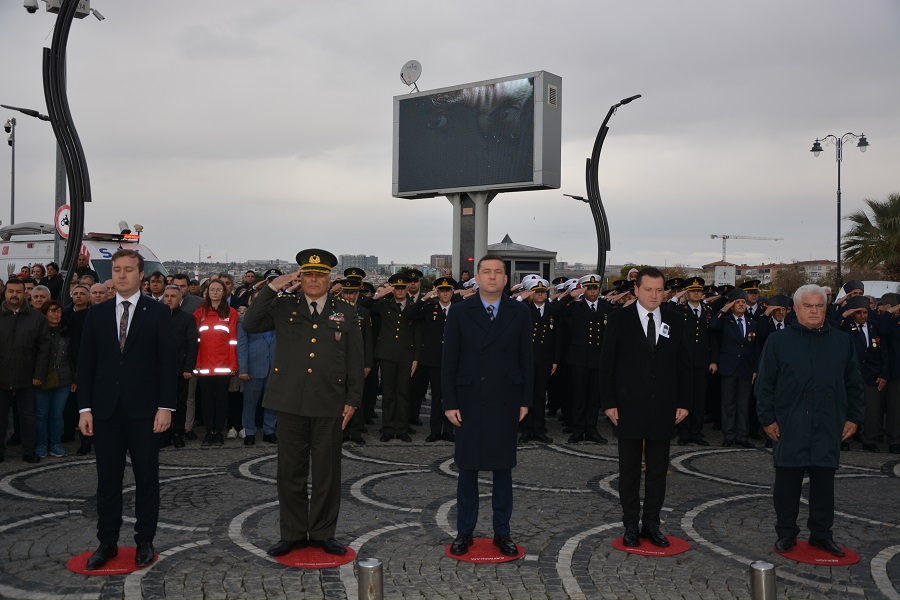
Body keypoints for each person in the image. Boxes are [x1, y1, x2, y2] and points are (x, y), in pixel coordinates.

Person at [243, 249, 364, 557]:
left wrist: (353, 399)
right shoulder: (284, 307)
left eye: (319, 275)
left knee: (327, 473)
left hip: (329, 403)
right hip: (291, 402)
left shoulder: (345, 311)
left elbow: (354, 359)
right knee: (290, 472)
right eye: (308, 274)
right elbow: (251, 323)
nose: (313, 280)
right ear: (300, 277)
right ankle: (294, 533)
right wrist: (272, 287)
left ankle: (323, 533)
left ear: (329, 279)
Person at [77, 249, 177, 569]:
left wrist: (165, 407)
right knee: (107, 480)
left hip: (146, 412)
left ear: (141, 275)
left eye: (128, 270)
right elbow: (86, 366)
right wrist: (85, 409)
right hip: (105, 412)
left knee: (147, 478)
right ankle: (107, 542)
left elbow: (168, 365)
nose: (121, 275)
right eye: (117, 269)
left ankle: (144, 540)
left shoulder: (158, 313)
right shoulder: (97, 313)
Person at [755, 284, 864, 557]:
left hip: (829, 425)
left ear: (826, 308)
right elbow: (765, 384)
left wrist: (854, 417)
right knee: (786, 487)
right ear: (796, 309)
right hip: (790, 424)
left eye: (819, 306)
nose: (814, 311)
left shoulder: (842, 341)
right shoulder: (778, 341)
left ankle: (821, 535)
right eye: (808, 306)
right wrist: (767, 419)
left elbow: (854, 384)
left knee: (824, 488)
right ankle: (786, 534)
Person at [442, 255, 533, 557]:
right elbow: (449, 361)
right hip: (468, 401)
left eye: (498, 272)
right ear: (477, 278)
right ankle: (464, 532)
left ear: (506, 279)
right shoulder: (458, 312)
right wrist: (449, 401)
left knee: (502, 471)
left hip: (505, 399)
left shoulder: (519, 312)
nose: (492, 277)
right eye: (486, 272)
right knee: (467, 471)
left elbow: (526, 360)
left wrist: (525, 400)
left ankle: (502, 532)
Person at [599, 267, 692, 548]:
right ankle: (630, 524)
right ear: (636, 289)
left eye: (659, 290)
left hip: (664, 407)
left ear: (665, 292)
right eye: (648, 289)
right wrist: (609, 403)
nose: (654, 295)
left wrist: (684, 403)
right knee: (628, 470)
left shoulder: (676, 320)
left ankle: (651, 523)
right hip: (628, 406)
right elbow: (607, 364)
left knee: (657, 470)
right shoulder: (618, 319)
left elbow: (684, 365)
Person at [365, 273, 421, 442]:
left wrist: (416, 358)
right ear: (393, 289)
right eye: (397, 288)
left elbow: (418, 334)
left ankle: (402, 428)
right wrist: (382, 293)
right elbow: (364, 303)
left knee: (403, 393)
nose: (400, 291)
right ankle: (388, 428)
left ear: (407, 289)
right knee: (388, 393)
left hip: (406, 355)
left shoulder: (414, 306)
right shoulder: (384, 305)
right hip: (387, 355)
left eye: (403, 288)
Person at [0, 279, 51, 463]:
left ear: (25, 294)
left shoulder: (37, 318)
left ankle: (29, 451)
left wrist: (39, 374)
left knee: (28, 416)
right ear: (5, 292)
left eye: (18, 292)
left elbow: (44, 349)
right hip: (2, 375)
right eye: (11, 291)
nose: (14, 295)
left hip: (27, 376)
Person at [403, 276, 458, 443]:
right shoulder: (429, 308)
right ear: (437, 293)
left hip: (453, 359)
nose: (445, 294)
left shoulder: (458, 309)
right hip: (433, 359)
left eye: (448, 290)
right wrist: (423, 299)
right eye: (442, 291)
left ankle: (449, 431)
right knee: (436, 396)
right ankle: (435, 431)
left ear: (452, 292)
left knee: (450, 396)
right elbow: (410, 315)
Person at [710, 287, 760, 448]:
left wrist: (755, 369)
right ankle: (729, 435)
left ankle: (742, 436)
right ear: (732, 305)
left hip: (746, 369)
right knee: (728, 404)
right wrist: (723, 309)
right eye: (737, 302)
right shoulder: (725, 321)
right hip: (728, 367)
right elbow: (712, 326)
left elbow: (756, 348)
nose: (741, 305)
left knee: (743, 404)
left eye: (743, 302)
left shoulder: (752, 323)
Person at [193, 279, 239, 446]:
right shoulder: (199, 313)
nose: (215, 292)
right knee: (206, 401)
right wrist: (196, 363)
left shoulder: (231, 313)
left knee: (221, 400)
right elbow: (195, 341)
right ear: (207, 292)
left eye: (219, 290)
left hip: (223, 366)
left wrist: (233, 365)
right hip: (204, 365)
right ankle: (208, 432)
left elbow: (233, 341)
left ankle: (218, 432)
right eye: (212, 289)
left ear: (224, 293)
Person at [839, 295, 888, 452]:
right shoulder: (845, 327)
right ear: (852, 313)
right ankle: (845, 438)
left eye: (865, 312)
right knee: (846, 407)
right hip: (850, 374)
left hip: (871, 374)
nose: (862, 316)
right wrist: (844, 315)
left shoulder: (875, 326)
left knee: (872, 410)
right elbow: (832, 329)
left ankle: (870, 439)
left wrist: (884, 374)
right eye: (858, 313)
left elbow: (885, 352)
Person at [675, 277, 716, 446]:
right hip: (683, 361)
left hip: (701, 361)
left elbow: (713, 338)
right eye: (692, 291)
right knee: (684, 397)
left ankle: (696, 433)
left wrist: (714, 360)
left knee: (699, 399)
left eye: (699, 291)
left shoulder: (708, 311)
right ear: (687, 292)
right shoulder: (679, 310)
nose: (696, 293)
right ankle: (683, 432)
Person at [237, 291, 278, 446]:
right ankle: (250, 431)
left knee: (272, 401)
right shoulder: (244, 320)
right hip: (253, 367)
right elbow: (241, 345)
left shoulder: (278, 319)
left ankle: (269, 430)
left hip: (274, 366)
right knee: (250, 402)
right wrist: (243, 369)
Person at [35, 300, 75, 458]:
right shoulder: (38, 331)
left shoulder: (67, 332)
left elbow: (72, 357)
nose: (55, 314)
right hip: (41, 378)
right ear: (45, 313)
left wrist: (74, 379)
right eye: (51, 311)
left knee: (57, 414)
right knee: (41, 414)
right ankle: (41, 445)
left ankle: (56, 444)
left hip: (63, 378)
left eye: (58, 311)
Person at [162, 285, 198, 449]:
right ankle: (164, 434)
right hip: (159, 369)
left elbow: (192, 345)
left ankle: (178, 433)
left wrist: (188, 368)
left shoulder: (187, 318)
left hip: (180, 369)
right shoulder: (156, 317)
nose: (169, 299)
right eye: (167, 296)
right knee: (161, 402)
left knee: (180, 402)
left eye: (173, 296)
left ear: (180, 299)